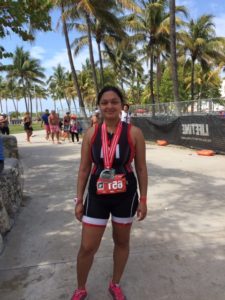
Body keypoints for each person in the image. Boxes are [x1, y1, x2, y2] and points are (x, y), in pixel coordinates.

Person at [71, 86, 148, 300]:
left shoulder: (134, 133)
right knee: (87, 246)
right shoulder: (91, 134)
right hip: (97, 195)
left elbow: (141, 168)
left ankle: (115, 283)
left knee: (121, 242)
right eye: (104, 102)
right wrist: (79, 200)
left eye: (114, 101)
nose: (109, 106)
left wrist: (143, 199)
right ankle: (80, 288)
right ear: (99, 106)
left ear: (122, 105)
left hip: (125, 195)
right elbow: (84, 169)